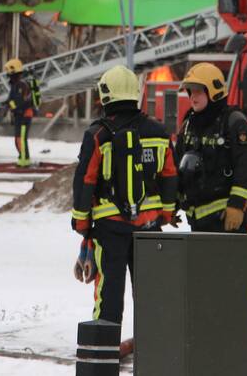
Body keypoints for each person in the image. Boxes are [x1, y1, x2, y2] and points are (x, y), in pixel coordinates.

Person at [70, 65, 177, 325]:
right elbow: (170, 175)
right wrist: (165, 214)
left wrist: (82, 223)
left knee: (108, 294)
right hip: (150, 229)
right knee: (152, 295)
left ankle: (104, 346)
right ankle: (154, 345)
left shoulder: (97, 135)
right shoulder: (159, 132)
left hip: (110, 230)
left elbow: (85, 180)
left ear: (105, 95)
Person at [176, 62, 247, 342]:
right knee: (205, 275)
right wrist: (174, 204)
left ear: (213, 92)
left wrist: (237, 205)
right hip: (200, 216)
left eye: (198, 91)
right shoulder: (189, 124)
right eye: (190, 91)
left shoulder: (235, 123)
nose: (193, 97)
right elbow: (179, 165)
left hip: (231, 215)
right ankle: (213, 328)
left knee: (235, 272)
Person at [3, 58, 35, 167]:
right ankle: (22, 158)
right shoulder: (15, 85)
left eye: (9, 72)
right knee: (18, 139)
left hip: (24, 116)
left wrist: (15, 108)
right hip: (19, 115)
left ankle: (24, 161)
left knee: (21, 139)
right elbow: (11, 100)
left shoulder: (22, 85)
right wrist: (10, 106)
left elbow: (25, 101)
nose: (8, 75)